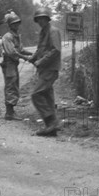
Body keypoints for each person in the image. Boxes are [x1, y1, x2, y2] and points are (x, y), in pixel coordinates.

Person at [29, 8, 62, 136]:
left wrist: (41, 61)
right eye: (38, 20)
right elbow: (41, 49)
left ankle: (52, 122)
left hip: (50, 69)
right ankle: (51, 127)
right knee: (47, 96)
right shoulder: (43, 32)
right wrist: (34, 57)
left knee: (36, 94)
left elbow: (55, 50)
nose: (40, 21)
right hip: (44, 70)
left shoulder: (53, 31)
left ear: (47, 19)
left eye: (42, 19)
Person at [0, 13, 32, 120]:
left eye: (17, 23)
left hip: (14, 64)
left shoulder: (16, 36)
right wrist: (26, 58)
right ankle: (9, 113)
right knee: (10, 85)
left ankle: (11, 111)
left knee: (14, 85)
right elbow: (12, 52)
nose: (16, 25)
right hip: (9, 63)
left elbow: (21, 50)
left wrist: (32, 54)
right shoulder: (7, 37)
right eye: (14, 24)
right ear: (10, 25)